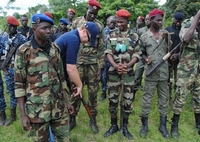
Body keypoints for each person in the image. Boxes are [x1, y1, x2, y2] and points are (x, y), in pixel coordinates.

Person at [14, 14, 74, 142]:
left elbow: (61, 78)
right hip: (37, 110)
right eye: (44, 28)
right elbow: (19, 84)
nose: (49, 31)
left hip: (59, 107)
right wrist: (23, 115)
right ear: (34, 29)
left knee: (65, 139)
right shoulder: (24, 51)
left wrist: (66, 101)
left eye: (50, 28)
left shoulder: (55, 49)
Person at [104, 9, 140, 140]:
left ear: (127, 22)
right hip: (114, 73)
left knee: (127, 101)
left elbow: (137, 54)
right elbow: (108, 52)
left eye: (121, 22)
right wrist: (115, 65)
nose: (118, 24)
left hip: (128, 73)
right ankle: (114, 125)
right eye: (117, 22)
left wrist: (127, 65)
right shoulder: (111, 34)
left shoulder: (134, 36)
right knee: (112, 99)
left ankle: (125, 127)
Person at [69, 0, 104, 133]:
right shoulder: (76, 22)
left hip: (93, 64)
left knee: (93, 92)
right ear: (87, 9)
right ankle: (72, 118)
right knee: (76, 92)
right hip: (77, 62)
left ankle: (92, 118)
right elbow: (71, 42)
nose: (92, 16)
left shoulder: (99, 26)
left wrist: (100, 68)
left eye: (95, 14)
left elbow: (101, 48)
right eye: (91, 13)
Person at [139, 9, 171, 138]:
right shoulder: (144, 37)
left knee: (163, 99)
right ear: (151, 20)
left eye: (161, 20)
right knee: (147, 99)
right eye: (158, 20)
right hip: (151, 73)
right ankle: (144, 125)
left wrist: (167, 39)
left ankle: (162, 125)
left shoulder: (165, 33)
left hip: (163, 73)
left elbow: (171, 49)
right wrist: (146, 59)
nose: (160, 22)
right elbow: (141, 52)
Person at [170, 10, 200, 140]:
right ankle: (174, 125)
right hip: (186, 69)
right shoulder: (188, 23)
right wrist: (197, 18)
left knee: (198, 97)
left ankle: (198, 123)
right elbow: (186, 39)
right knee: (181, 96)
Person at [55, 21, 99, 97]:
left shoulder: (72, 36)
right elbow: (71, 68)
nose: (87, 42)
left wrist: (71, 80)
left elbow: (66, 63)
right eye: (88, 39)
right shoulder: (74, 39)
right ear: (84, 31)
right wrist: (79, 85)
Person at [0, 16, 27, 126]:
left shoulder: (22, 39)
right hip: (7, 69)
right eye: (10, 26)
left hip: (19, 69)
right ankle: (13, 115)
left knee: (21, 91)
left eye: (14, 27)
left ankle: (25, 113)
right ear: (7, 26)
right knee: (11, 91)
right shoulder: (3, 39)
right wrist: (3, 66)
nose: (12, 28)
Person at [165, 12, 184, 104]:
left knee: (178, 80)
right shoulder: (167, 29)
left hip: (180, 59)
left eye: (180, 21)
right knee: (166, 79)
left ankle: (177, 98)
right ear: (173, 19)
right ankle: (166, 97)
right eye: (176, 20)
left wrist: (177, 55)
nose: (178, 22)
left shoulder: (184, 30)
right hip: (168, 59)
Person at [99, 15, 117, 101]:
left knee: (113, 76)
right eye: (111, 22)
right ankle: (103, 92)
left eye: (114, 22)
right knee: (103, 77)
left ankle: (113, 92)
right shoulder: (102, 32)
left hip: (114, 59)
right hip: (104, 58)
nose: (113, 24)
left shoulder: (118, 32)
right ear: (107, 22)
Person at [133, 14, 150, 97]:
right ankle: (132, 95)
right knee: (136, 77)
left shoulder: (156, 31)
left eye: (149, 19)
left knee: (149, 79)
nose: (147, 21)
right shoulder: (141, 30)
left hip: (151, 58)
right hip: (141, 57)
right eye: (146, 19)